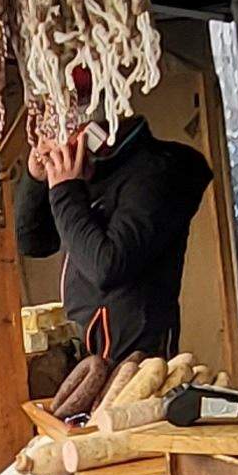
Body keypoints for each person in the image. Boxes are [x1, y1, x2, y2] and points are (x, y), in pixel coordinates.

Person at [21, 94, 214, 358]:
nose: (51, 146)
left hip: (133, 354)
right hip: (87, 351)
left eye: (56, 133)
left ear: (89, 135)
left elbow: (107, 266)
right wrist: (37, 180)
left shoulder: (156, 173)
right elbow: (31, 241)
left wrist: (65, 191)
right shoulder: (87, 175)